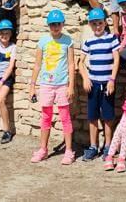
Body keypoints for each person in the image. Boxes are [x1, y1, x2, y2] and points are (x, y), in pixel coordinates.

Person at [28, 9, 76, 164]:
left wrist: (71, 86)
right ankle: (43, 149)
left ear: (63, 24)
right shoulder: (43, 42)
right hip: (46, 85)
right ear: (48, 25)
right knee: (46, 117)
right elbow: (37, 65)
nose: (55, 27)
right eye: (52, 24)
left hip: (62, 85)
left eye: (58, 24)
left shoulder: (68, 41)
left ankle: (68, 151)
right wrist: (32, 86)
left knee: (65, 117)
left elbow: (71, 64)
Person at [79, 8, 120, 161]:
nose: (97, 26)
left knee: (108, 117)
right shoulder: (88, 42)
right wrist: (85, 78)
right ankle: (93, 146)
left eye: (100, 23)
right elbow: (80, 62)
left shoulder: (112, 39)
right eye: (94, 23)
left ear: (105, 23)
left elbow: (116, 59)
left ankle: (108, 145)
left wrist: (112, 80)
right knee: (92, 116)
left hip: (107, 84)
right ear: (90, 24)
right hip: (93, 84)